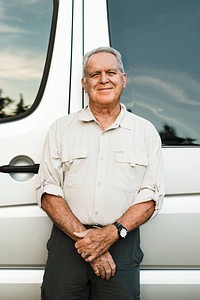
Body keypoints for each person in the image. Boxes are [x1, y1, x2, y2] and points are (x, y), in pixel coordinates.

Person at [36, 46, 164, 300]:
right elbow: (48, 192)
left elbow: (150, 198)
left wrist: (110, 235)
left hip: (122, 243)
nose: (103, 79)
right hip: (68, 242)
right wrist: (89, 242)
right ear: (84, 83)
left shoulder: (145, 132)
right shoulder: (61, 129)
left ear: (123, 80)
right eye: (95, 74)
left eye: (111, 72)